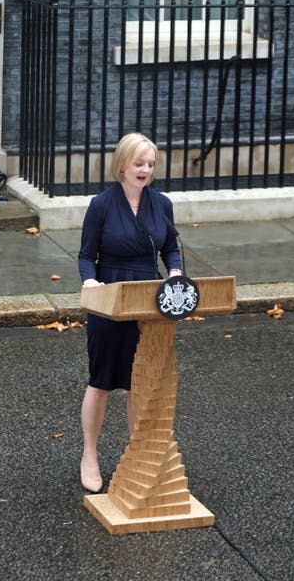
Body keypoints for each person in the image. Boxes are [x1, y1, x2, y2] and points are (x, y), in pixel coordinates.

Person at [77, 132, 182, 493]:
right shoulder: (101, 205)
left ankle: (137, 454)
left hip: (147, 298)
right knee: (102, 381)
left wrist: (175, 273)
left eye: (151, 165)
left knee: (143, 381)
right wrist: (90, 282)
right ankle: (89, 455)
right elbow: (86, 255)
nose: (146, 170)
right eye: (139, 164)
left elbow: (171, 248)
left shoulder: (162, 204)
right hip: (109, 297)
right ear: (123, 164)